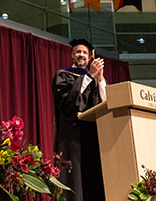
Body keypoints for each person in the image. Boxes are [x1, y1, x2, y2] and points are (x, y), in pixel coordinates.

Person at [52, 38, 107, 201]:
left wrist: (100, 79)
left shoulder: (94, 79)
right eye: (78, 52)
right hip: (72, 135)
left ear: (90, 57)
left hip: (92, 134)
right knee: (73, 179)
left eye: (85, 52)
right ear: (72, 55)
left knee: (94, 176)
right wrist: (90, 75)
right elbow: (68, 103)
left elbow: (105, 103)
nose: (81, 55)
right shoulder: (62, 75)